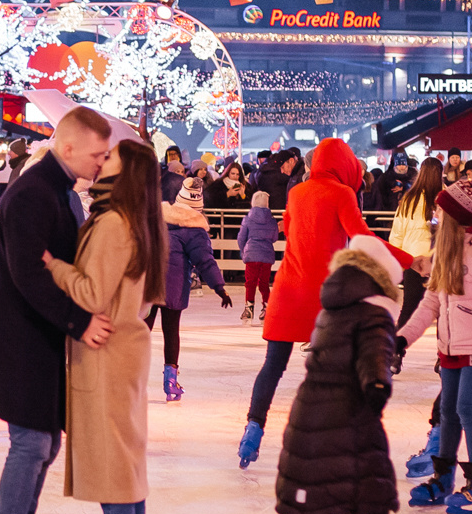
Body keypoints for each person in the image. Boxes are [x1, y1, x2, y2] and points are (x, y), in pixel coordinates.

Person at [0, 106, 116, 514]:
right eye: (97, 154)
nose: (101, 162)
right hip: (20, 341)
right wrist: (79, 320)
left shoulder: (53, 190)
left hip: (37, 339)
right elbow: (31, 272)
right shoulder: (33, 193)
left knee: (43, 444)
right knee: (30, 445)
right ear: (68, 147)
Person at [42, 137, 164, 514]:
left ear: (125, 172)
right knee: (128, 452)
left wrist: (54, 266)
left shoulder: (114, 222)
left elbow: (91, 295)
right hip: (129, 344)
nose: (100, 159)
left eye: (109, 156)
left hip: (106, 348)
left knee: (113, 455)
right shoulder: (139, 221)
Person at [270, 234, 418, 514]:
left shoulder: (330, 309)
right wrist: (378, 392)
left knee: (314, 494)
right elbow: (375, 366)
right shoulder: (374, 313)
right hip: (349, 412)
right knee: (377, 489)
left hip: (308, 413)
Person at [239, 138, 373, 469]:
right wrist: (408, 260)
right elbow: (363, 237)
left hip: (287, 288)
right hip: (324, 295)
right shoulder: (342, 193)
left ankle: (253, 427)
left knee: (272, 366)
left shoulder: (296, 192)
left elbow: (289, 229)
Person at [398, 175, 472, 514]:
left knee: (466, 409)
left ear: (456, 217)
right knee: (448, 412)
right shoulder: (446, 252)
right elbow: (430, 303)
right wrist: (403, 337)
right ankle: (442, 478)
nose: (436, 219)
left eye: (440, 214)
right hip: (449, 346)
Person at [148, 173, 232, 402]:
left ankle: (127, 375)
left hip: (149, 281)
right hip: (173, 287)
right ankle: (170, 382)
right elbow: (205, 261)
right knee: (170, 332)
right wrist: (219, 287)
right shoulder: (195, 230)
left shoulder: (157, 217)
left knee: (142, 330)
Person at [387, 157, 441, 327]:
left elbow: (397, 232)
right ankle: (445, 352)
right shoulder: (447, 197)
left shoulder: (409, 199)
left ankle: (395, 348)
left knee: (409, 307)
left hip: (414, 260)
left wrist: (399, 259)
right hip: (440, 259)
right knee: (444, 310)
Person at [237, 189, 279, 323]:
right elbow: (274, 237)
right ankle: (267, 307)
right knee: (264, 283)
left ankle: (249, 309)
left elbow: (241, 238)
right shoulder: (272, 221)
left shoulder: (248, 219)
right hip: (267, 256)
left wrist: (244, 251)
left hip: (252, 255)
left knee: (250, 283)